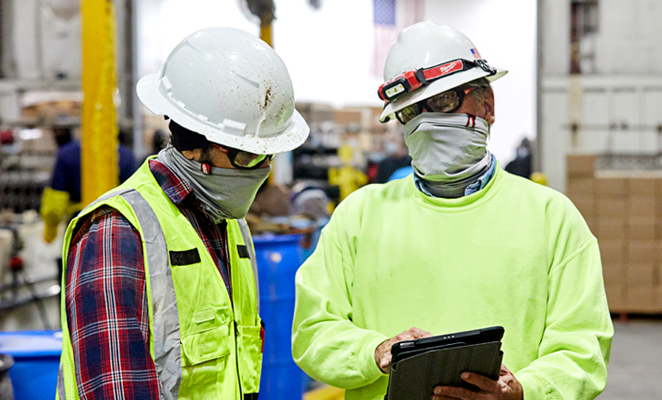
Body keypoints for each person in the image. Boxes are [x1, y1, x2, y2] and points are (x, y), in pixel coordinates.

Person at [292, 22, 612, 400]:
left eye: (443, 102)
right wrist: (374, 351)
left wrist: (525, 390)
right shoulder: (358, 217)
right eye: (410, 111)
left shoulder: (553, 219)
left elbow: (583, 348)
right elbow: (312, 329)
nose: (426, 122)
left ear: (487, 104)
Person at [56, 27, 309, 399]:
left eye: (269, 154)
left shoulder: (230, 226)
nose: (263, 168)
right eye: (248, 155)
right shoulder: (118, 232)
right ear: (195, 146)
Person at [40, 126, 136, 243]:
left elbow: (54, 205)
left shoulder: (67, 155)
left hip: (78, 224)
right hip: (116, 227)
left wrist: (50, 232)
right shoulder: (126, 157)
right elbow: (133, 200)